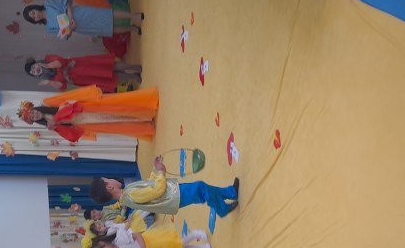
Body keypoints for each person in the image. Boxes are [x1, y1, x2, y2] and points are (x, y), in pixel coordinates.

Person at [90, 156, 239, 216]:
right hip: (172, 196)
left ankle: (230, 192)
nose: (112, 179)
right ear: (109, 187)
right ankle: (222, 208)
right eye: (108, 179)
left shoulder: (127, 194)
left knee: (202, 190)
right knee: (201, 188)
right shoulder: (130, 194)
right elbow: (157, 190)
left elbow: (148, 185)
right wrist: (161, 173)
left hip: (172, 194)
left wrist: (156, 170)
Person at [17, 85, 158, 142]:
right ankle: (146, 124)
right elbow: (68, 132)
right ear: (35, 121)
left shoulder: (47, 103)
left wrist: (60, 114)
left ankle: (147, 109)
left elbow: (68, 98)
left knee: (118, 109)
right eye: (32, 118)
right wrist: (57, 126)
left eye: (33, 113)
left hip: (85, 109)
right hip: (84, 123)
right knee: (116, 124)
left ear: (34, 109)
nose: (34, 115)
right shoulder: (49, 125)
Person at [23, 0, 142, 38]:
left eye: (33, 13)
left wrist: (71, 18)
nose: (36, 15)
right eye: (33, 18)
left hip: (80, 13)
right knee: (108, 29)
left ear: (34, 8)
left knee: (107, 14)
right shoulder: (49, 28)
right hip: (81, 27)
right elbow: (65, 34)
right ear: (35, 21)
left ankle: (134, 15)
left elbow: (67, 2)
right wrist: (69, 30)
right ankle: (132, 28)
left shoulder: (49, 4)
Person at [25, 55, 142, 92]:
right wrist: (50, 82)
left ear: (36, 63)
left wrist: (47, 66)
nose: (35, 70)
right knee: (108, 79)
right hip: (81, 79)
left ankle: (134, 68)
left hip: (80, 66)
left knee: (108, 67)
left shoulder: (48, 58)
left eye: (33, 67)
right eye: (33, 72)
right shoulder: (49, 79)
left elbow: (61, 62)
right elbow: (63, 86)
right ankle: (133, 77)